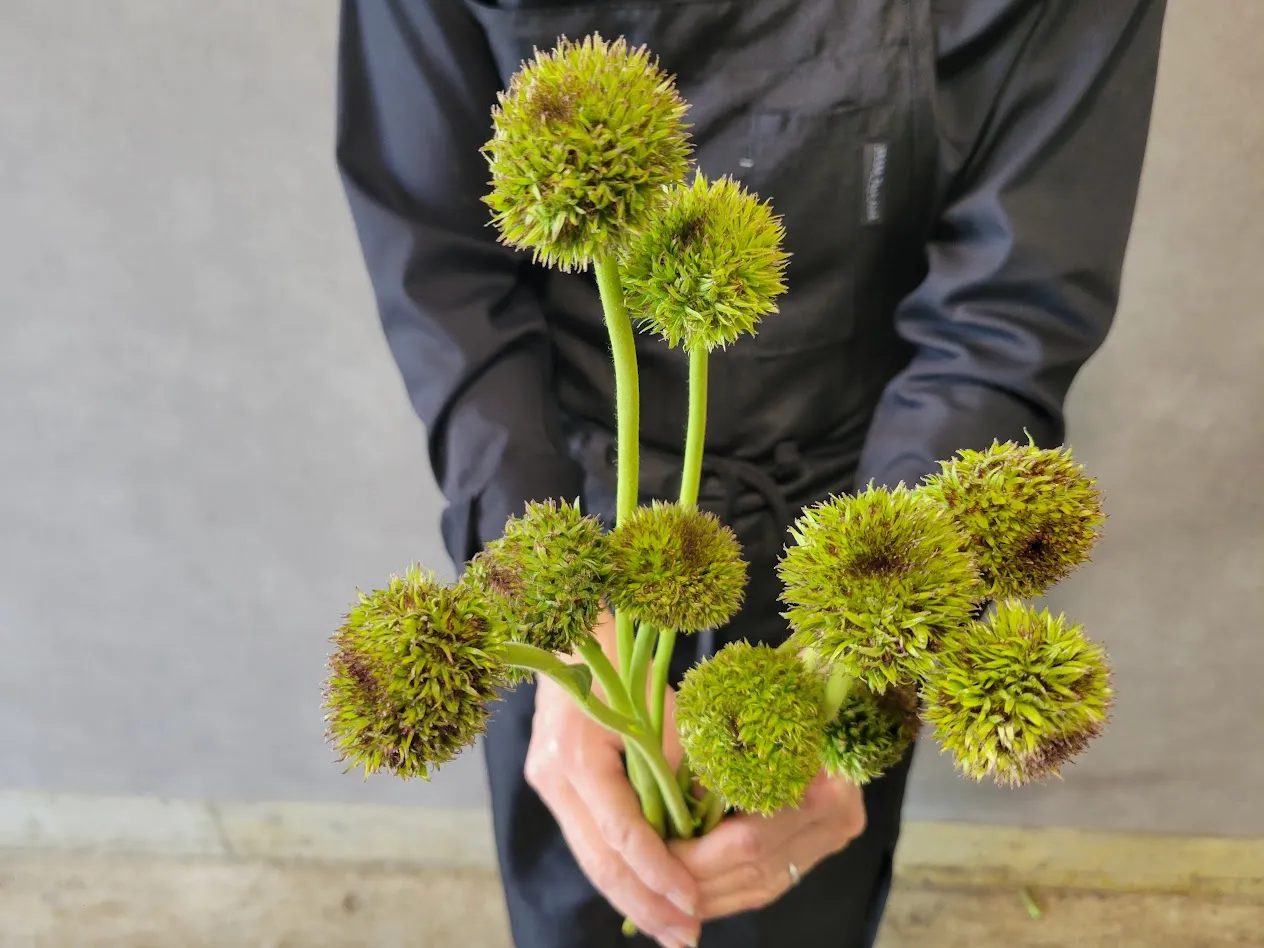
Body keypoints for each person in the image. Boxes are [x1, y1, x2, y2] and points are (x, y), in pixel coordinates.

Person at [334, 1, 1166, 945]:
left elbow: (1010, 303)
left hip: (868, 518)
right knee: (582, 894)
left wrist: (882, 636)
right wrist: (558, 623)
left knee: (799, 910)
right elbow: (437, 259)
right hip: (568, 521)